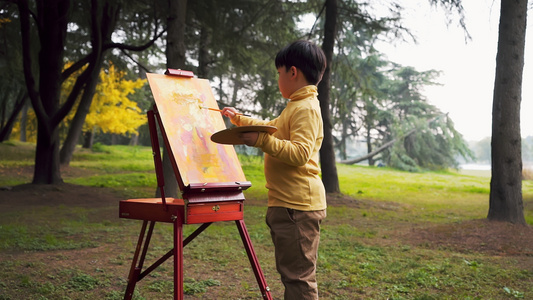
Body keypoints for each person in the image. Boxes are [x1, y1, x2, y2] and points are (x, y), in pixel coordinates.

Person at [221, 40, 327, 300]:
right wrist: (239, 119)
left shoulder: (306, 109)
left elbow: (300, 153)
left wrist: (260, 140)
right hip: (289, 206)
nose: (278, 78)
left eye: (279, 73)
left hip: (297, 207)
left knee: (298, 279)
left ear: (293, 72)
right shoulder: (296, 105)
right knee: (292, 275)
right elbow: (271, 127)